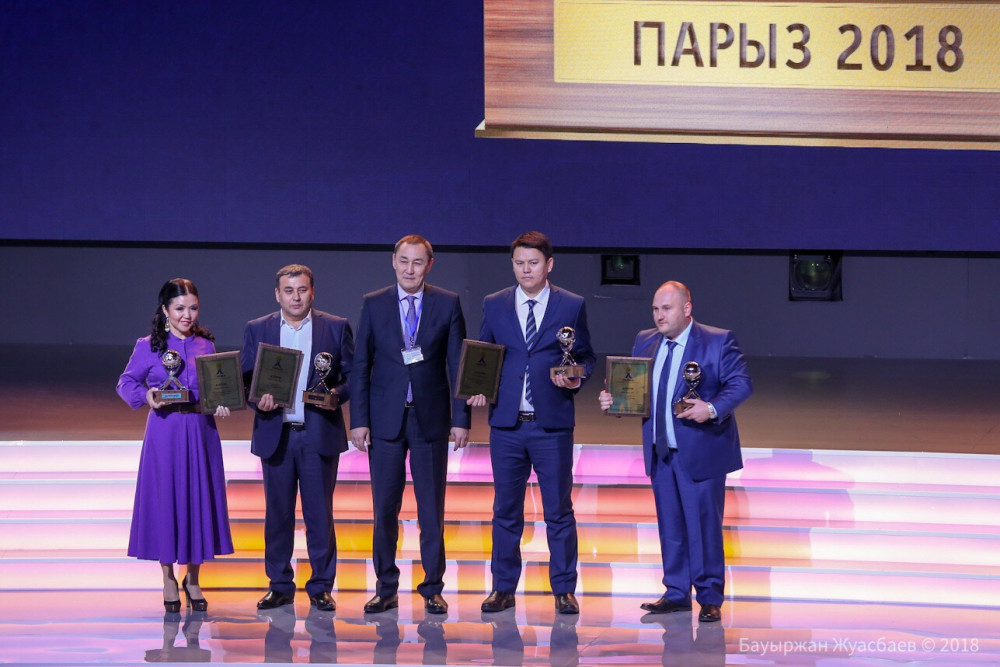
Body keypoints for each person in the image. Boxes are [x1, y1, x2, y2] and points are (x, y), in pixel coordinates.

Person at [599, 281, 752, 623]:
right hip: (661, 450)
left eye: (666, 309)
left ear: (686, 308)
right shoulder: (645, 340)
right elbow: (634, 387)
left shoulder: (717, 340)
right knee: (670, 526)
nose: (659, 316)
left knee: (704, 527)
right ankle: (676, 592)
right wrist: (614, 400)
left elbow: (741, 383)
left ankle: (709, 597)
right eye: (655, 309)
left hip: (701, 451)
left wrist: (711, 408)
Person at [468, 231, 595, 615]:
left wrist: (576, 377)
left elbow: (585, 357)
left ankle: (564, 589)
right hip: (507, 426)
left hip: (551, 425)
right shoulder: (495, 303)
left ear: (549, 265)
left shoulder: (571, 304)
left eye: (533, 263)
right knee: (505, 511)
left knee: (558, 511)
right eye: (520, 263)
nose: (526, 270)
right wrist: (477, 386)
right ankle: (503, 588)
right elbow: (484, 353)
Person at [350, 235, 471, 614]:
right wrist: (359, 420)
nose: (409, 269)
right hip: (384, 421)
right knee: (384, 510)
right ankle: (385, 587)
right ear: (393, 261)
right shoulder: (374, 303)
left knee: (431, 511)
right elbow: (361, 365)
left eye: (418, 262)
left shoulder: (447, 303)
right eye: (404, 261)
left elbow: (458, 365)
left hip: (430, 421)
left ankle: (432, 587)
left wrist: (461, 419)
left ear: (429, 265)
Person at [116, 278, 234, 612]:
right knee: (166, 498)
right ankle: (168, 576)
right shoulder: (148, 346)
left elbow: (216, 388)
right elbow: (125, 383)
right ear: (165, 310)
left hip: (200, 431)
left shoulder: (206, 345)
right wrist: (147, 395)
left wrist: (221, 402)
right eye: (180, 308)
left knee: (199, 499)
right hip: (164, 432)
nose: (187, 315)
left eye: (193, 308)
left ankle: (193, 578)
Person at [242, 264, 354, 612]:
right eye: (288, 291)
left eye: (302, 290)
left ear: (312, 292)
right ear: (277, 294)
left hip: (318, 435)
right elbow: (245, 380)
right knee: (278, 516)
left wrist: (335, 395)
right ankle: (279, 585)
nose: (295, 297)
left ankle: (321, 586)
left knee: (320, 516)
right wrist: (257, 400)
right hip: (276, 435)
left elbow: (353, 377)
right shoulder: (258, 328)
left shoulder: (335, 327)